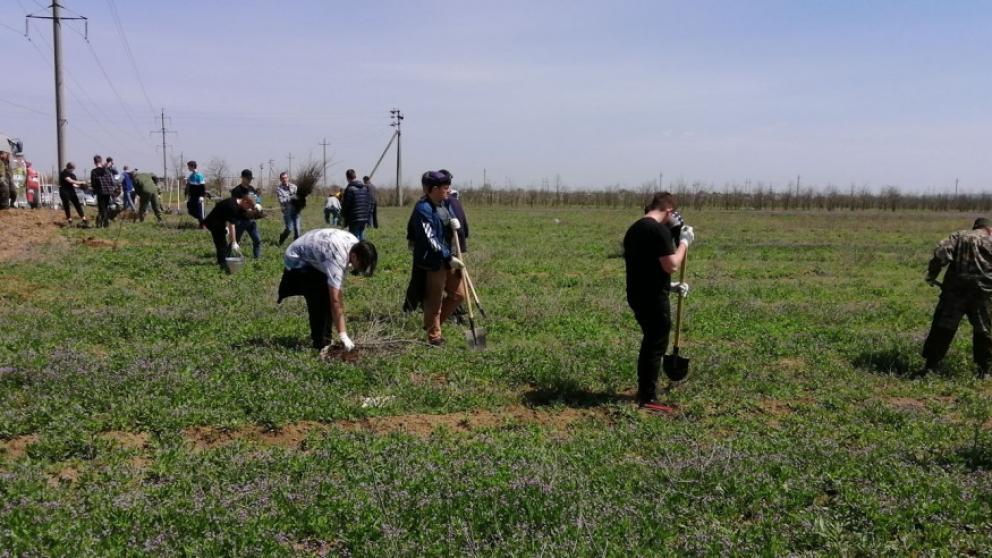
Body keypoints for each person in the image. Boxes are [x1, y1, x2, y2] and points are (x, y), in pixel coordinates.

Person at [623, 192, 695, 409]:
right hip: (652, 298)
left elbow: (644, 266)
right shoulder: (658, 230)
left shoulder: (635, 228)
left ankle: (646, 391)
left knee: (651, 340)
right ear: (670, 211)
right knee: (655, 343)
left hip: (639, 293)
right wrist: (684, 243)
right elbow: (671, 265)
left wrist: (669, 286)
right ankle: (648, 398)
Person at [277, 228, 378, 351]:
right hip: (298, 259)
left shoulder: (355, 244)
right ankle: (320, 344)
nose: (361, 269)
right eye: (361, 265)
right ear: (354, 256)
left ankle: (326, 339)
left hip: (317, 252)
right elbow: (335, 300)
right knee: (319, 297)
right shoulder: (337, 257)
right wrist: (343, 335)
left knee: (327, 294)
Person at [921, 218, 992, 377]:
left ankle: (930, 368)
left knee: (942, 328)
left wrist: (932, 274)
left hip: (955, 292)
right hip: (983, 294)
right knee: (984, 331)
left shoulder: (959, 236)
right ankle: (985, 371)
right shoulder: (990, 238)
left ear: (975, 227)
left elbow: (941, 254)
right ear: (989, 229)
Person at [409, 170, 467, 346]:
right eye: (445, 187)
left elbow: (447, 227)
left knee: (459, 295)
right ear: (434, 189)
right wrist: (448, 256)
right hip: (432, 261)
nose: (448, 190)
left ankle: (432, 326)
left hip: (448, 257)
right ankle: (434, 338)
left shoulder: (444, 204)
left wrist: (453, 225)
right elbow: (430, 239)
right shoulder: (422, 209)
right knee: (433, 301)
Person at [202, 190, 257, 269]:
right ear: (245, 201)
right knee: (222, 245)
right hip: (213, 222)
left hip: (221, 221)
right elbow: (232, 226)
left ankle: (224, 263)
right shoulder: (233, 206)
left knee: (223, 244)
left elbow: (230, 215)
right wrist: (234, 242)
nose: (248, 209)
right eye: (248, 207)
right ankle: (222, 265)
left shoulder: (238, 203)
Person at [232, 169, 263, 259]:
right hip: (241, 220)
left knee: (257, 240)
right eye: (247, 178)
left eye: (250, 178)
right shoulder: (236, 191)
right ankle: (228, 257)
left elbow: (256, 200)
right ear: (242, 178)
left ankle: (257, 259)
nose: (249, 180)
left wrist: (258, 205)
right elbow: (234, 205)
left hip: (251, 220)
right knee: (235, 242)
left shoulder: (251, 189)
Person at [341, 169, 373, 240]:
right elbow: (368, 202)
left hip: (354, 218)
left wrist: (343, 215)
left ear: (347, 178)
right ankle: (362, 250)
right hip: (364, 217)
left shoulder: (349, 189)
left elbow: (346, 205)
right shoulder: (365, 188)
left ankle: (357, 250)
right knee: (361, 236)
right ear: (355, 176)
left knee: (353, 238)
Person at [90, 155, 117, 228]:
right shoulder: (107, 170)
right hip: (108, 191)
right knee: (105, 206)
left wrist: (93, 190)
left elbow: (93, 183)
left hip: (100, 191)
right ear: (101, 161)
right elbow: (112, 181)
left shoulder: (94, 171)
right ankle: (104, 223)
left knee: (102, 208)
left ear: (94, 162)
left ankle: (104, 223)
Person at [276, 171, 301, 245]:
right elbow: (282, 200)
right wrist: (292, 198)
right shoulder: (279, 189)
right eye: (283, 178)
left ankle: (296, 245)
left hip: (296, 211)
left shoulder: (294, 187)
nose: (285, 179)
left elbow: (299, 197)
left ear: (288, 178)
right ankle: (282, 238)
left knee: (297, 230)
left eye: (286, 178)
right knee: (289, 229)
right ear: (280, 179)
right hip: (287, 212)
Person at [185, 160, 207, 226]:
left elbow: (202, 187)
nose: (188, 168)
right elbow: (189, 187)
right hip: (192, 196)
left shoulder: (199, 175)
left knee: (199, 211)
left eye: (188, 166)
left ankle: (202, 224)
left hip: (198, 196)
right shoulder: (191, 176)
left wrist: (202, 196)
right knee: (190, 210)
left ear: (192, 166)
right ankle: (202, 220)